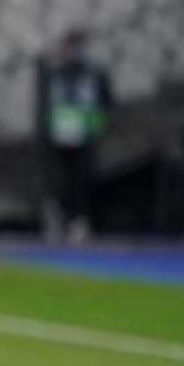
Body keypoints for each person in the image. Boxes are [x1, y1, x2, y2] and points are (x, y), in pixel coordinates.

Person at [39, 28, 113, 243]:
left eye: (75, 47)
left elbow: (106, 102)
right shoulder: (55, 74)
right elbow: (46, 104)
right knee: (58, 180)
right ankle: (57, 220)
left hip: (84, 135)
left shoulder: (94, 74)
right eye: (69, 47)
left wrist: (98, 125)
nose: (72, 52)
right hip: (59, 134)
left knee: (80, 180)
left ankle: (78, 221)